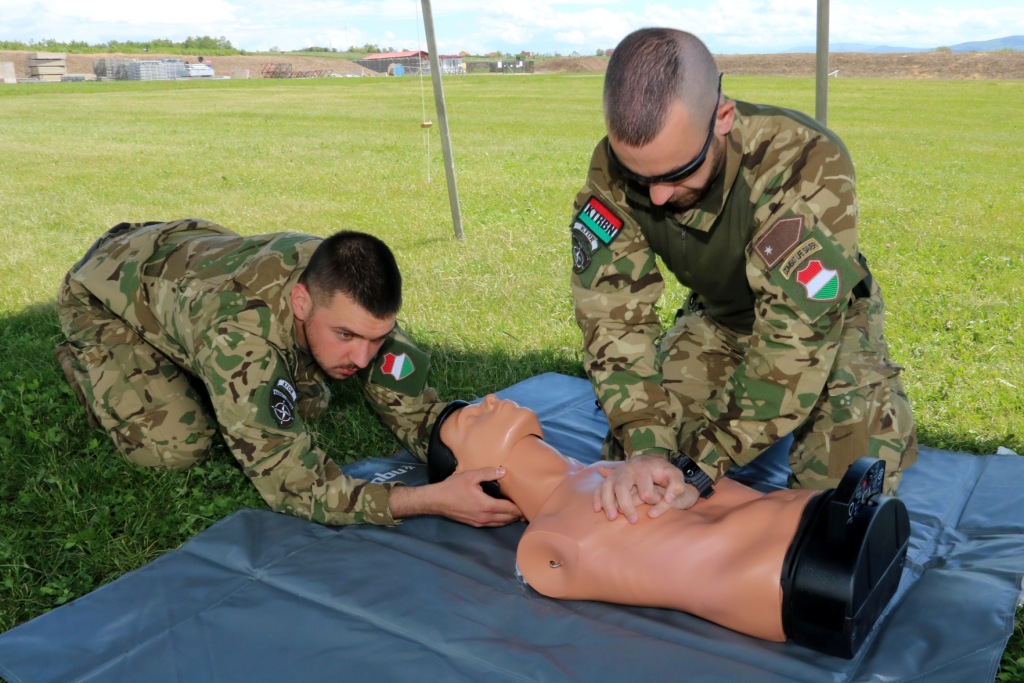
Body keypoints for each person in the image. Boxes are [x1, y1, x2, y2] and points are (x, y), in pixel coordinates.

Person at [570, 28, 918, 523]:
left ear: (723, 117)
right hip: (721, 318)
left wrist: (702, 465)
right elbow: (612, 317)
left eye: (679, 173)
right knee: (640, 473)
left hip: (827, 327)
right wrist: (647, 441)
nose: (660, 197)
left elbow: (794, 344)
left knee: (838, 507)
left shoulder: (803, 161)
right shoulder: (612, 167)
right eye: (641, 179)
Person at [54, 218, 522, 528]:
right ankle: (91, 366)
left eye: (376, 339)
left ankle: (195, 365)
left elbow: (414, 408)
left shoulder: (344, 286)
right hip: (107, 292)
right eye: (346, 336)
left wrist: (472, 452)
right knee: (173, 447)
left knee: (310, 401)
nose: (363, 359)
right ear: (302, 302)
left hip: (188, 259)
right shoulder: (241, 341)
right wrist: (430, 499)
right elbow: (295, 487)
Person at [428, 395, 910, 657]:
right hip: (798, 578)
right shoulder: (547, 545)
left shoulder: (598, 468)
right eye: (470, 419)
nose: (488, 399)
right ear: (472, 472)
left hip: (824, 515)